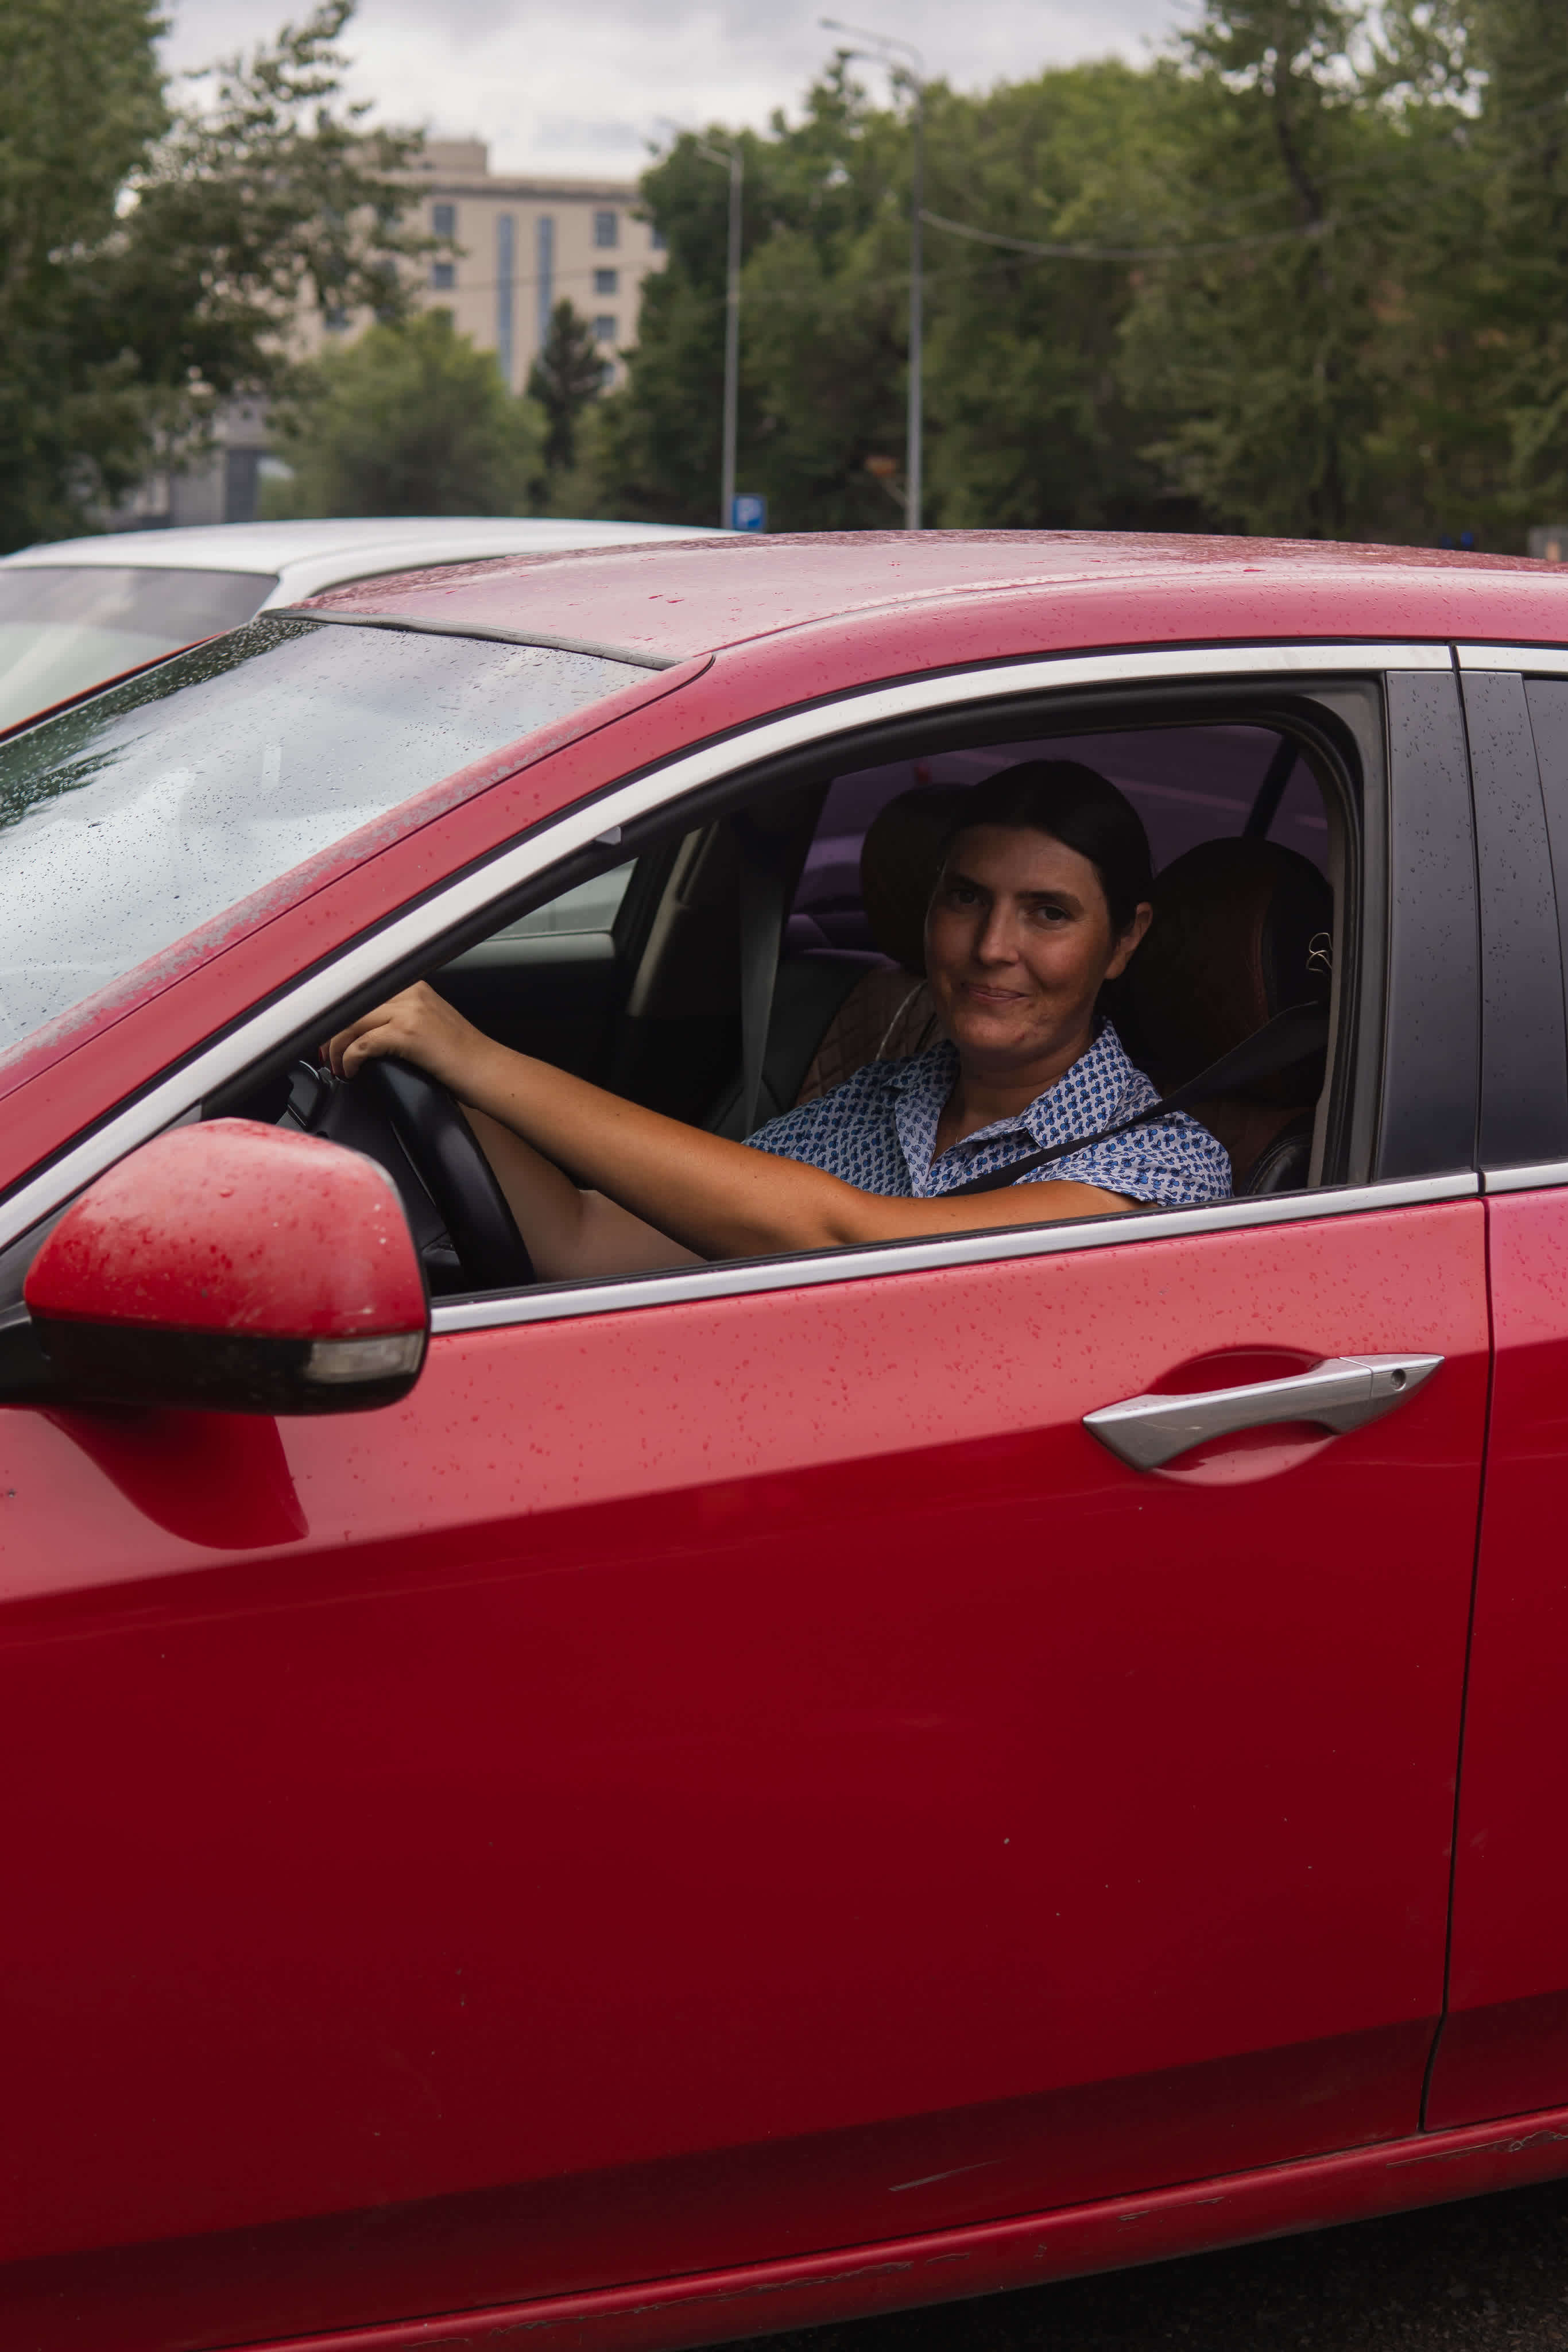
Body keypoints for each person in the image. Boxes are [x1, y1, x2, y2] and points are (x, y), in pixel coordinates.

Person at [327, 760, 1232, 1280]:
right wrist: (433, 1072)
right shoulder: (880, 1096)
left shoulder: (1161, 1165)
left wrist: (477, 1058)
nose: (993, 946)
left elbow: (847, 1241)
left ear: (1124, 941)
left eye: (1049, 913)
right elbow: (584, 1238)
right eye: (966, 898)